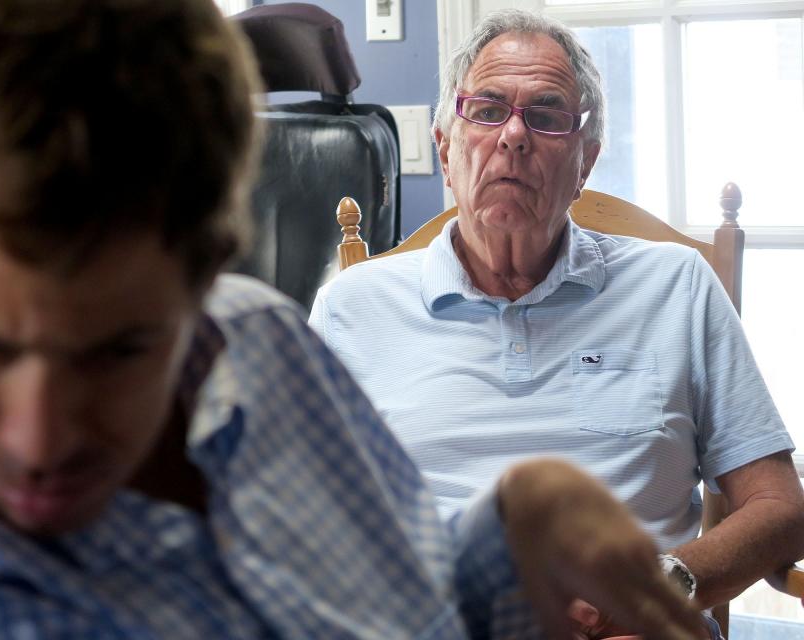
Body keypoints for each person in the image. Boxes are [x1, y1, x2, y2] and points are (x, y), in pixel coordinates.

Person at [0, 1, 708, 639]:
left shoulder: (256, 339)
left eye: (121, 349)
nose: (39, 436)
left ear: (209, 268)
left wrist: (511, 525)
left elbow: (410, 601)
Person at [310, 6, 804, 629]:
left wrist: (660, 585)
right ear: (445, 149)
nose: (513, 136)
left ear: (586, 162)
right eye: (487, 111)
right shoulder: (353, 309)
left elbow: (779, 507)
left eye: (545, 117)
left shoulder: (677, 287)